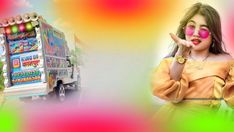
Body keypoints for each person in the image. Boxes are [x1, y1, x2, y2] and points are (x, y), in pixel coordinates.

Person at [151, 2, 234, 120]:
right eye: (191, 27)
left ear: (213, 34)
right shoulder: (169, 62)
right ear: (184, 30)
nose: (196, 33)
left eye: (203, 29)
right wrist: (181, 54)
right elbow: (171, 95)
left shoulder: (226, 62)